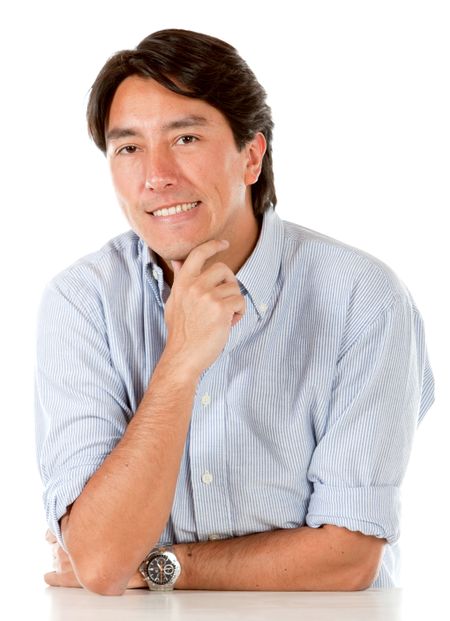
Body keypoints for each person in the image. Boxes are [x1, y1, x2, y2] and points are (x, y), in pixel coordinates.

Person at [35, 28, 434, 596]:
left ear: (251, 155)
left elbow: (347, 559)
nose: (156, 175)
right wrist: (179, 363)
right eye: (128, 148)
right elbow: (100, 562)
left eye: (186, 138)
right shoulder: (81, 302)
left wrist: (162, 567)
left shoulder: (363, 299)